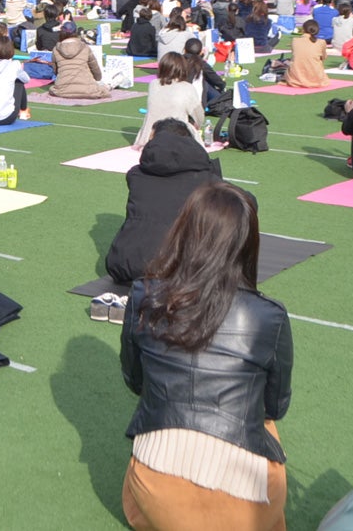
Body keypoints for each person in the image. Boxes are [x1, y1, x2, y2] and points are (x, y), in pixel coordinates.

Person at [120, 183, 291, 530]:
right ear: (248, 244)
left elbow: (135, 381)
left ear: (184, 232)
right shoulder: (269, 315)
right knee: (264, 422)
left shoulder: (144, 295)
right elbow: (275, 408)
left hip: (158, 487)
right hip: (249, 503)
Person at [106, 118, 224, 285]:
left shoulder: (135, 175)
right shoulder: (207, 180)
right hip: (178, 270)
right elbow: (245, 204)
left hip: (124, 264)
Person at [134, 53, 206, 148]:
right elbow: (199, 117)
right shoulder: (187, 88)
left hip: (148, 137)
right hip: (175, 136)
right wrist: (196, 125)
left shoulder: (153, 84)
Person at [50, 22, 109, 100]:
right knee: (106, 84)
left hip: (62, 89)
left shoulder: (56, 49)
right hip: (87, 88)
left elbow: (56, 71)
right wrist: (98, 79)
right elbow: (95, 69)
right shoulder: (85, 47)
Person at [283, 19, 329, 88]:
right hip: (317, 78)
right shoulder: (321, 42)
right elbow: (323, 57)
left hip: (295, 78)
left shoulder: (295, 40)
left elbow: (296, 55)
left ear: (303, 30)